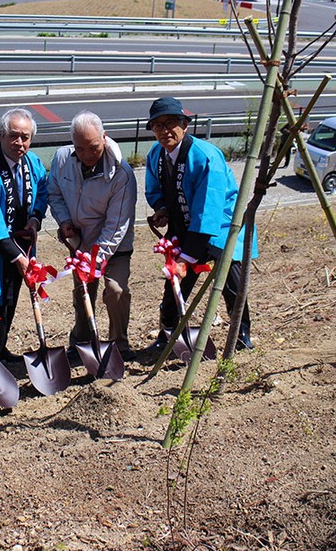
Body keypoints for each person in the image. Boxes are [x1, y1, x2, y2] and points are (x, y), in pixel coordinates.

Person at [144, 97, 258, 352]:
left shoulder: (206, 157)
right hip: (183, 226)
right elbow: (153, 190)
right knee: (174, 282)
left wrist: (189, 256)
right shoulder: (156, 155)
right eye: (157, 125)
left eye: (170, 123)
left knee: (231, 283)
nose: (164, 131)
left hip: (221, 227)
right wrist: (161, 209)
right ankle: (168, 334)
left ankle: (241, 335)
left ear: (185, 125)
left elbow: (210, 210)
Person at [47, 111, 138, 361]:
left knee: (116, 291)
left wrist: (95, 259)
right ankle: (82, 342)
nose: (87, 155)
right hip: (80, 241)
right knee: (83, 292)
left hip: (114, 246)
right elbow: (54, 193)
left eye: (93, 147)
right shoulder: (62, 159)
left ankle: (119, 344)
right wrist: (65, 221)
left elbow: (117, 225)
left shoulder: (122, 174)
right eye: (81, 149)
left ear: (104, 138)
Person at [0, 108, 48, 364]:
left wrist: (36, 218)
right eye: (13, 136)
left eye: (25, 137)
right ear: (0, 135)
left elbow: (43, 190)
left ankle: (0, 348)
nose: (20, 143)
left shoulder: (33, 163)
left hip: (24, 244)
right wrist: (17, 256)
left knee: (12, 298)